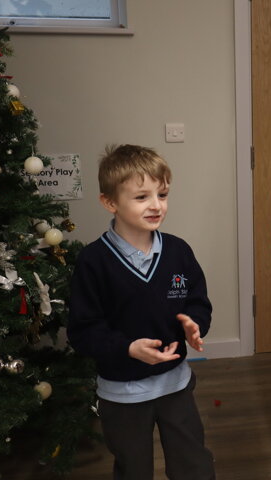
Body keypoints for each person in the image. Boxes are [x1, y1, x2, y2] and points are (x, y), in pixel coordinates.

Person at [68, 145, 215, 480]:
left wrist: (194, 324)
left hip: (176, 384)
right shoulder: (93, 262)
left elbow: (197, 301)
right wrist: (127, 348)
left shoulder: (178, 251)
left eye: (162, 195)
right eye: (141, 197)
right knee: (133, 468)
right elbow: (83, 331)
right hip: (122, 393)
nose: (156, 205)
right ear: (110, 202)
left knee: (193, 463)